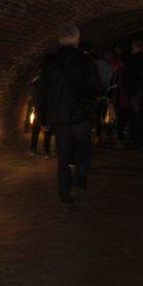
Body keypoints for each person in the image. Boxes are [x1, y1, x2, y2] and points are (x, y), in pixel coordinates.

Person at [38, 23, 104, 209]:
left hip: (60, 118)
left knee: (63, 157)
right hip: (81, 116)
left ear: (60, 40)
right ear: (76, 39)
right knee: (84, 152)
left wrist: (43, 119)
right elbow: (97, 87)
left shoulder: (49, 63)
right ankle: (79, 183)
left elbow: (42, 93)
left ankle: (65, 197)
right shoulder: (85, 61)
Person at [123, 39, 143, 149]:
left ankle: (137, 140)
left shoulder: (133, 59)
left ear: (137, 47)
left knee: (135, 116)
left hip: (135, 90)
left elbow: (129, 75)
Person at [28, 73, 53, 158]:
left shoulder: (42, 82)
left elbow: (32, 86)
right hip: (43, 109)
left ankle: (40, 150)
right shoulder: (46, 81)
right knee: (42, 130)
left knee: (42, 130)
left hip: (43, 109)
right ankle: (44, 151)